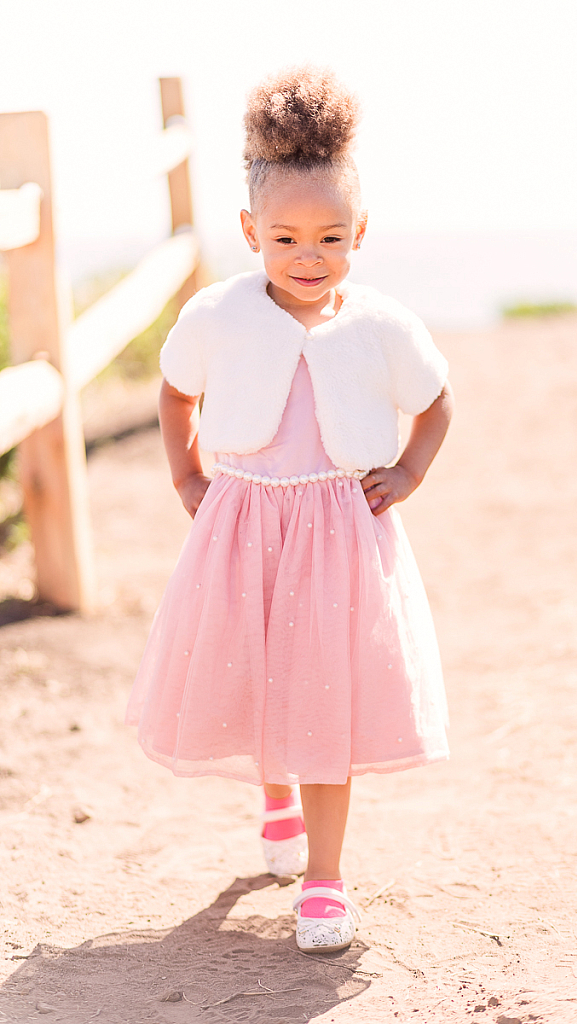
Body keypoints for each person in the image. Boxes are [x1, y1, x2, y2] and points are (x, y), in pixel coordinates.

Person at [125, 65, 453, 953]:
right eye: (285, 239)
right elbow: (171, 394)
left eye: (329, 238)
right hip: (242, 530)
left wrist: (411, 472)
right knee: (252, 672)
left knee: (327, 698)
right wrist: (188, 480)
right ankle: (276, 806)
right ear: (248, 232)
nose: (308, 258)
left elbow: (436, 401)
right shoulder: (217, 314)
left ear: (361, 232)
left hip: (343, 539)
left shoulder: (382, 323)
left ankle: (325, 878)